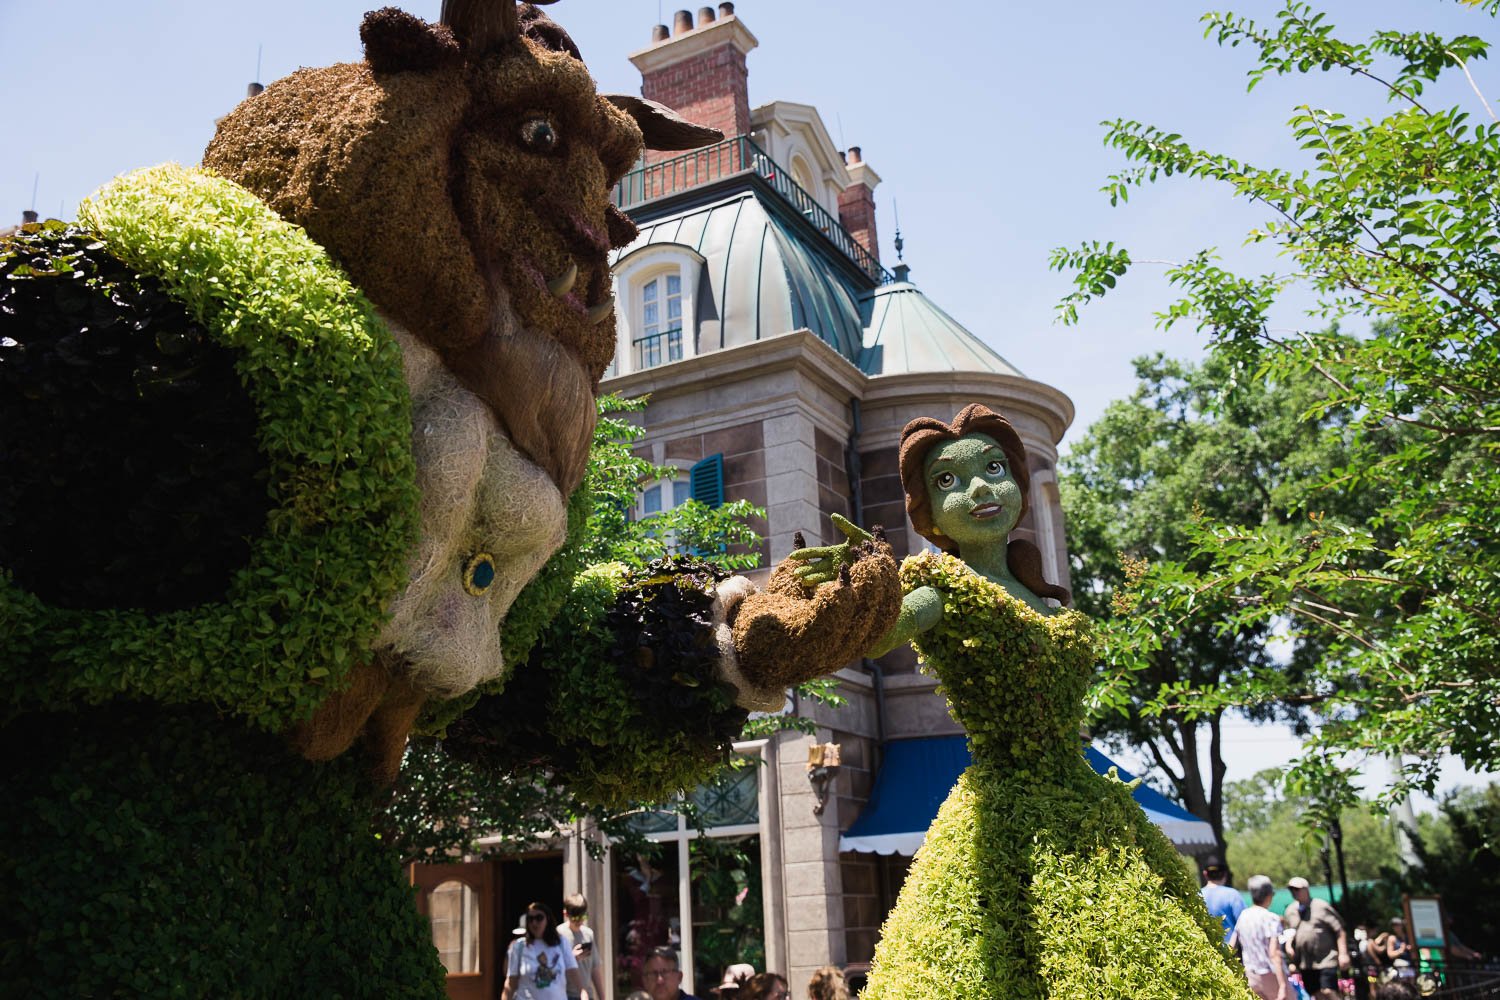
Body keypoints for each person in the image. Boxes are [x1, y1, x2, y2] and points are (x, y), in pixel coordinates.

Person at [792, 405, 1251, 998]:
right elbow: (877, 634)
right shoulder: (939, 591)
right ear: (929, 513)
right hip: (1003, 813)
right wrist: (848, 595)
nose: (982, 487)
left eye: (994, 467)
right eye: (950, 480)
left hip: (1091, 809)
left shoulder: (1043, 596)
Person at [1283, 876, 1351, 994]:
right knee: (1315, 993)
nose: (1294, 893)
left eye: (1297, 889)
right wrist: (1289, 948)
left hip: (1326, 958)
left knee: (1328, 991)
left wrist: (1343, 954)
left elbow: (1339, 930)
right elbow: (1290, 933)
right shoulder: (1290, 911)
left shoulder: (1321, 906)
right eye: (1291, 890)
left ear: (1306, 890)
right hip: (1306, 962)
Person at [503, 903, 581, 1000]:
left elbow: (573, 972)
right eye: (530, 919)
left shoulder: (561, 943)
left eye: (539, 918)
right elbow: (511, 983)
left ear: (547, 919)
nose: (534, 923)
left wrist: (583, 992)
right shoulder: (518, 947)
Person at [1231, 875, 1289, 1000]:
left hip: (1251, 976)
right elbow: (1274, 953)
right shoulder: (1271, 918)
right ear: (1269, 896)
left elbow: (1231, 946)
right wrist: (1283, 985)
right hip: (1271, 975)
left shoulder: (1243, 916)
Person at [558, 894, 606, 1000]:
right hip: (566, 995)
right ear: (566, 914)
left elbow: (595, 968)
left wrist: (602, 997)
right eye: (575, 918)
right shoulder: (559, 935)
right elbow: (553, 967)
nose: (579, 921)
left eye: (583, 917)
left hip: (587, 995)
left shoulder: (588, 934)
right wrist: (572, 958)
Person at [1201, 855, 1247, 946]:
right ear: (1225, 874)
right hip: (1230, 951)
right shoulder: (1233, 895)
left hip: (1203, 951)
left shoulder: (1197, 895)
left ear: (1205, 874)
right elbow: (1244, 924)